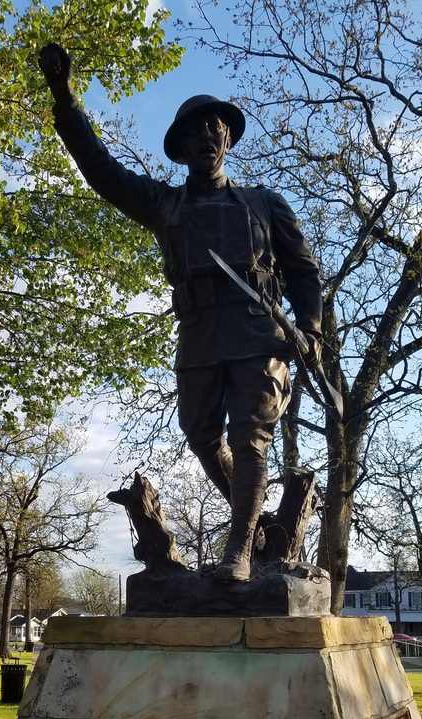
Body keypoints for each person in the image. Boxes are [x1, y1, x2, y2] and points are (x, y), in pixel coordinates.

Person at [39, 44, 323, 582]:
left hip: (258, 334)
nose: (204, 137)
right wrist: (64, 97)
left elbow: (304, 272)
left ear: (228, 137)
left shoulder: (266, 204)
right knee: (200, 434)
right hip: (197, 334)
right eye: (193, 131)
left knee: (251, 437)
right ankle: (256, 523)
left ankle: (238, 550)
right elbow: (100, 170)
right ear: (181, 146)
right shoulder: (165, 205)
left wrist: (308, 326)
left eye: (213, 127)